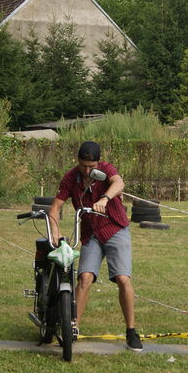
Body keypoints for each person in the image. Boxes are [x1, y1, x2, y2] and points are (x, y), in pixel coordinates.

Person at [49, 141, 142, 351]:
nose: (87, 170)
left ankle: (131, 331)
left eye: (91, 166)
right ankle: (72, 327)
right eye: (83, 166)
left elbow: (119, 182)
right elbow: (55, 207)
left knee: (123, 278)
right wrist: (55, 230)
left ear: (98, 163)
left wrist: (105, 198)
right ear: (78, 161)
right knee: (84, 278)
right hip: (91, 233)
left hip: (115, 228)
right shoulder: (71, 177)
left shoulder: (106, 170)